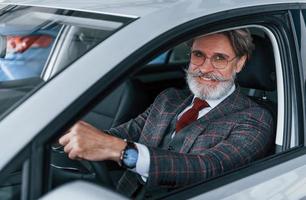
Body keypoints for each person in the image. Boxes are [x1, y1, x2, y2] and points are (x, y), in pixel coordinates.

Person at [59, 29, 274, 198]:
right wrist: (68, 138)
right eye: (198, 55)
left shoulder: (254, 118)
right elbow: (125, 133)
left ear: (240, 63)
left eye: (219, 58)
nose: (205, 68)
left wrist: (121, 151)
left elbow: (209, 167)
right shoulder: (169, 99)